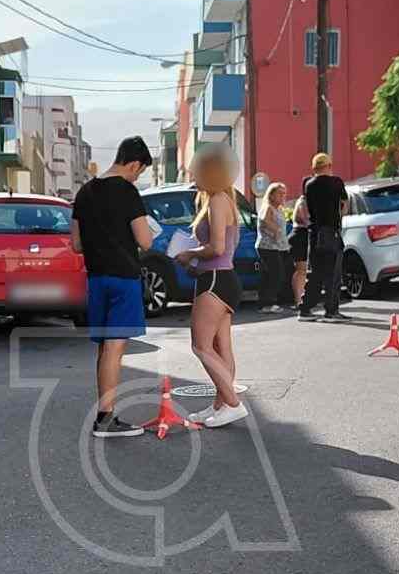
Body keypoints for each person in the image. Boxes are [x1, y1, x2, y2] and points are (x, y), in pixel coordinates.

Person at [70, 136, 160, 438]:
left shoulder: (84, 192)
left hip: (96, 278)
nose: (137, 176)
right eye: (139, 171)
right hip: (123, 278)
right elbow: (145, 240)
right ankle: (106, 418)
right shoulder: (128, 191)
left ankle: (104, 412)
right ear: (134, 163)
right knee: (115, 348)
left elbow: (76, 244)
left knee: (105, 348)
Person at [174, 146, 247, 427]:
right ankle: (220, 405)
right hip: (220, 278)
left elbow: (216, 247)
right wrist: (193, 263)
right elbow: (225, 247)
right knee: (221, 347)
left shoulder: (217, 200)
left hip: (215, 280)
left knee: (201, 346)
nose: (193, 173)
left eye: (197, 169)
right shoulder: (221, 199)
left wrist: (189, 253)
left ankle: (232, 403)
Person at [298, 151, 347, 319]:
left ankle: (305, 309)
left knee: (315, 273)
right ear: (329, 166)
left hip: (314, 233)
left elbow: (306, 206)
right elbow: (344, 205)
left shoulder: (308, 184)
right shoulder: (336, 182)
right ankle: (331, 310)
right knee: (333, 274)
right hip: (331, 232)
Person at [256, 181, 291, 311]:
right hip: (268, 246)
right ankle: (268, 303)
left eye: (284, 194)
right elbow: (265, 220)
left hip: (276, 247)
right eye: (280, 194)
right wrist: (276, 231)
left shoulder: (278, 209)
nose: (283, 196)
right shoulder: (268, 207)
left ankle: (264, 303)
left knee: (270, 274)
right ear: (271, 195)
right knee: (276, 274)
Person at [288, 190, 310, 312]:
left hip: (303, 236)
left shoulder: (307, 201)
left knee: (304, 270)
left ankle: (302, 299)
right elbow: (305, 219)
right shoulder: (302, 201)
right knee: (301, 270)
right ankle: (298, 300)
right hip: (299, 236)